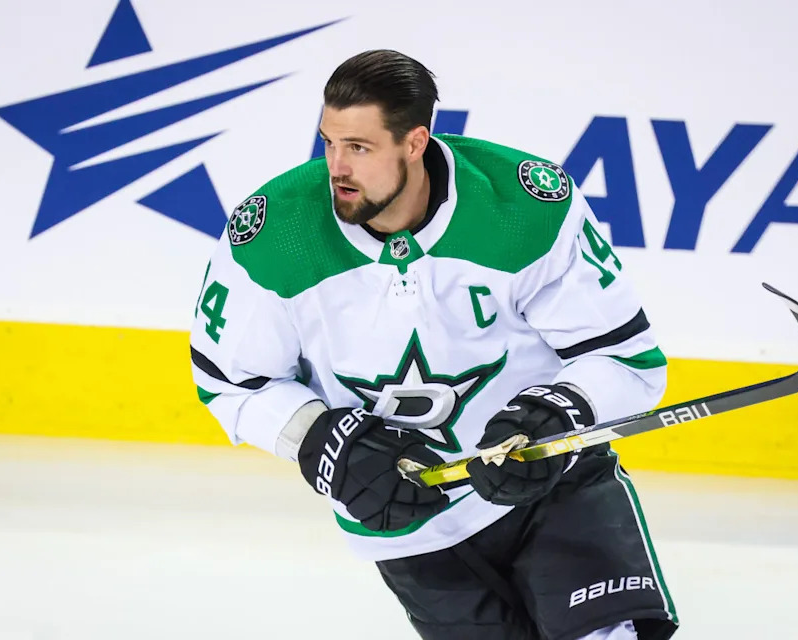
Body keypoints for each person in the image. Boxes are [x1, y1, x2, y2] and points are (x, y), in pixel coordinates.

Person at [190, 49, 678, 640]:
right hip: (404, 518)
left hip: (550, 483)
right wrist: (321, 441)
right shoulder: (274, 237)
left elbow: (627, 359)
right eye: (329, 143)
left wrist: (559, 411)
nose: (336, 167)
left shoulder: (523, 208)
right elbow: (228, 382)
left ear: (415, 142)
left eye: (360, 148)